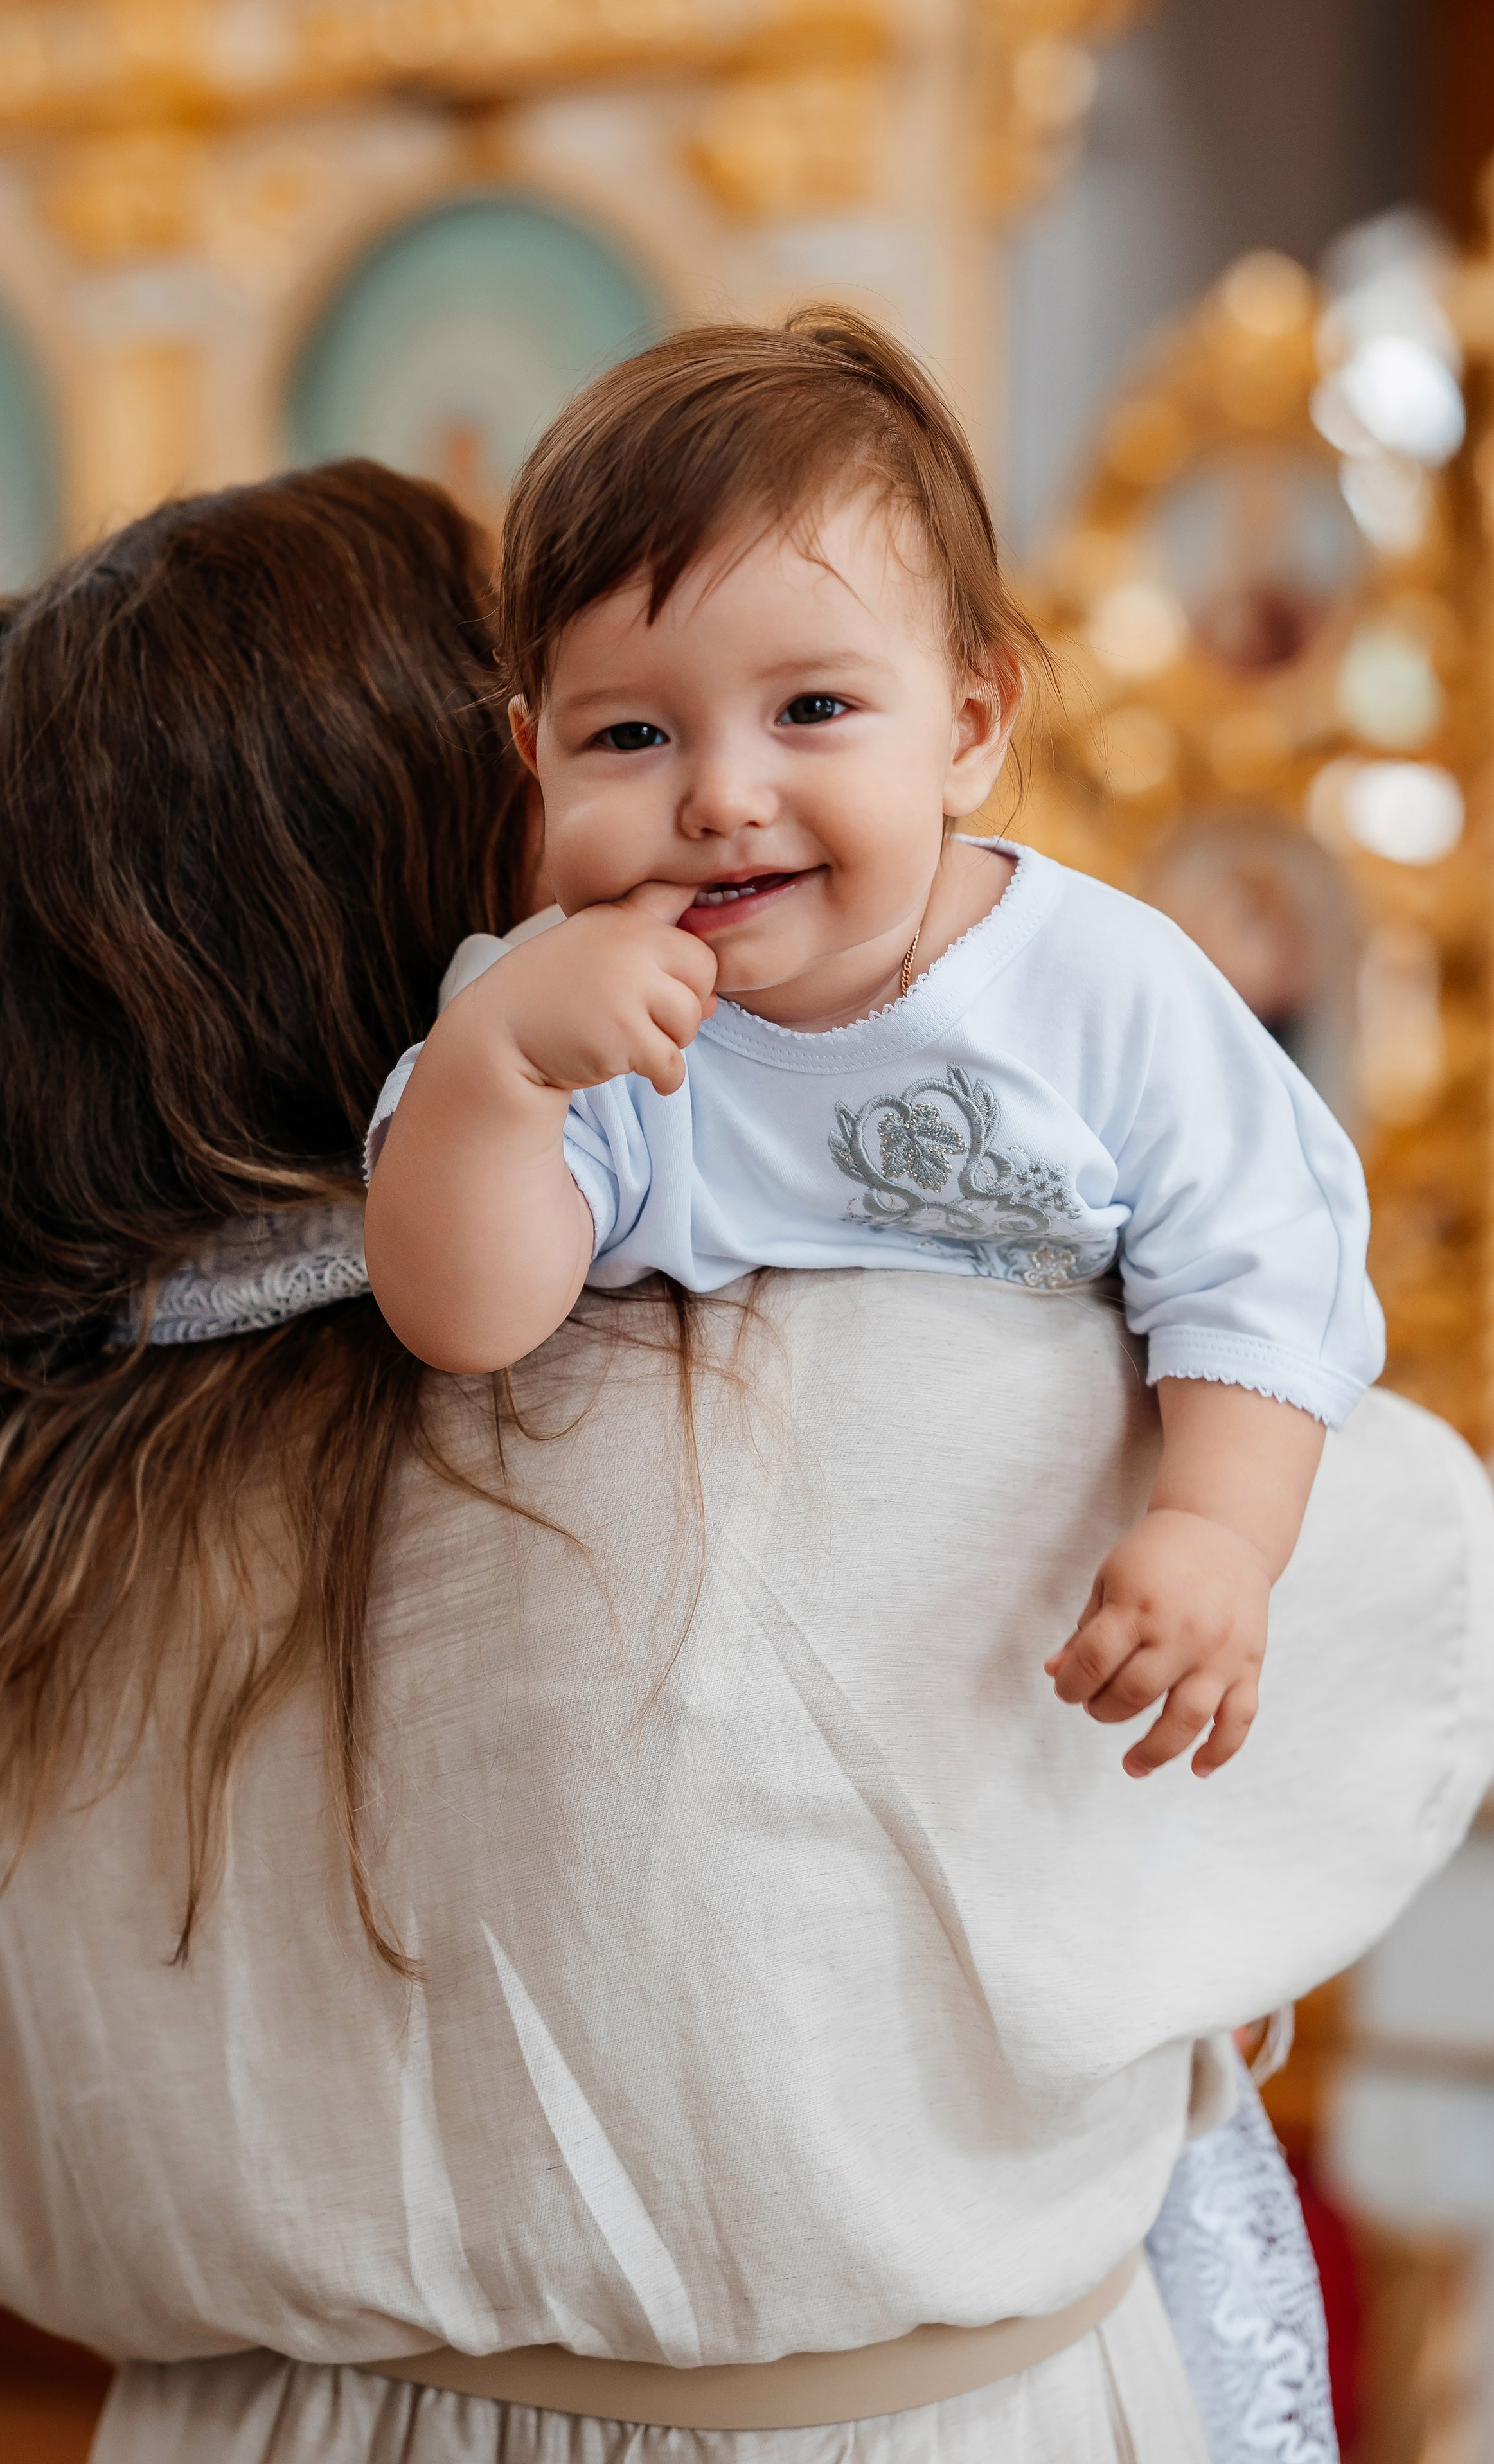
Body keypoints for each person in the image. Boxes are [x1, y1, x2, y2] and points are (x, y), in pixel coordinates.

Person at [0, 465, 1494, 2464]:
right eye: (628, 731)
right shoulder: (875, 1396)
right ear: (491, 836)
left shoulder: (50, 1481)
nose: (712, 808)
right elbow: (1401, 1580)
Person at [364, 309, 1385, 1787]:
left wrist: (1215, 1528)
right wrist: (496, 1074)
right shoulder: (562, 1017)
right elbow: (464, 1318)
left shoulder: (1099, 987)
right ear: (532, 758)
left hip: (1046, 1674)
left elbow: (1262, 1256)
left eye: (813, 710)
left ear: (969, 725)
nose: (721, 793)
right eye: (629, 737)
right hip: (738, 1720)